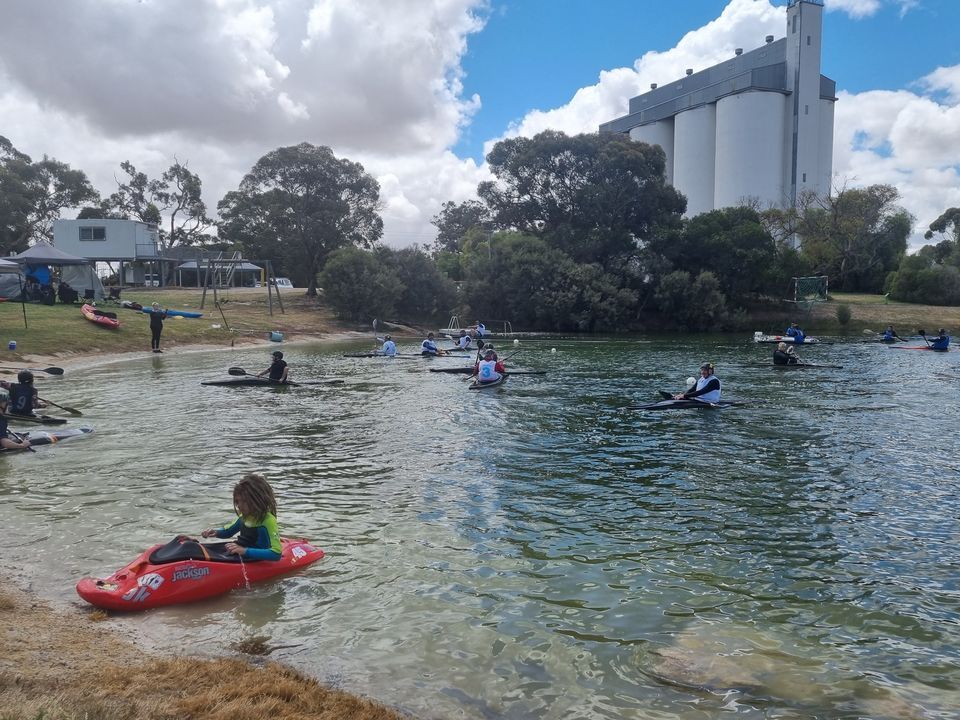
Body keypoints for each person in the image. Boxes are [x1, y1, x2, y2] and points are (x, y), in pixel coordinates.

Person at [200, 473, 282, 561]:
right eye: (237, 501)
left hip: (253, 557)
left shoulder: (268, 520)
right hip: (241, 551)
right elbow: (228, 531)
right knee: (193, 547)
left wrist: (244, 551)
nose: (239, 505)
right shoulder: (244, 517)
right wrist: (215, 532)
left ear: (257, 500)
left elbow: (276, 553)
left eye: (243, 501)